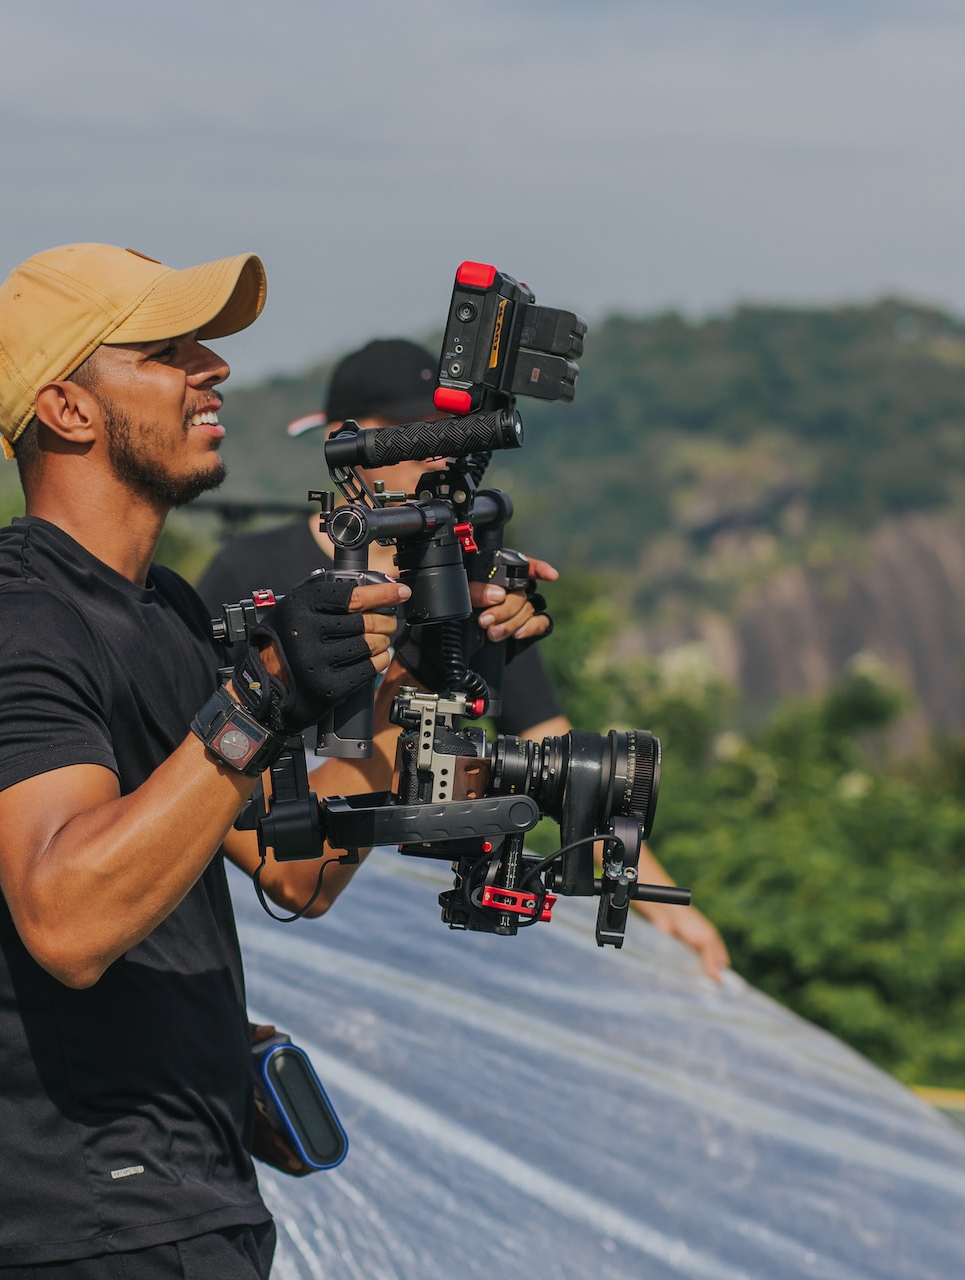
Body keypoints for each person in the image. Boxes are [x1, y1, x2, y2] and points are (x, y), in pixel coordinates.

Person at [0, 245, 547, 1279]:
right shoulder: (9, 622)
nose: (216, 369)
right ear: (68, 410)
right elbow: (67, 915)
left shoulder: (165, 611)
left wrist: (428, 661)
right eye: (168, 352)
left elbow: (301, 868)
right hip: (73, 1233)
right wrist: (262, 698)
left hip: (190, 1212)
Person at [196, 338, 732, 980]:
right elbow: (217, 782)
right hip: (270, 919)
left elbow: (550, 749)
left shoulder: (469, 578)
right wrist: (415, 664)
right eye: (405, 432)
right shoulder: (250, 569)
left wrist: (645, 889)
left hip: (408, 928)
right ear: (346, 441)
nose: (434, 451)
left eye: (449, 432)